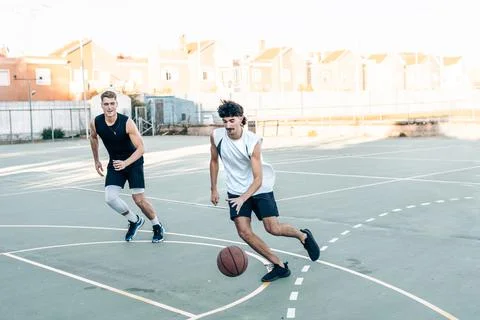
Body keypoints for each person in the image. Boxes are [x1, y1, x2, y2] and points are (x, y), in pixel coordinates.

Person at [209, 100, 320, 282]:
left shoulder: (252, 141)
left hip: (260, 188)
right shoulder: (216, 136)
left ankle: (303, 235)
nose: (228, 125)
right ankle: (279, 266)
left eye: (232, 121)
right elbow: (213, 161)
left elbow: (258, 179)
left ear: (241, 119)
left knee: (273, 228)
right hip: (235, 190)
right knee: (244, 232)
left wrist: (244, 198)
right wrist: (213, 188)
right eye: (225, 121)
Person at [89, 90, 165, 243]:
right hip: (115, 163)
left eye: (112, 104)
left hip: (133, 162)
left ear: (116, 104)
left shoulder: (127, 122)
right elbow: (93, 138)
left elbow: (141, 148)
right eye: (106, 104)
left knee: (139, 200)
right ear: (101, 106)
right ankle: (134, 220)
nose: (109, 107)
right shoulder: (96, 122)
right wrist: (96, 160)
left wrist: (126, 163)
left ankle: (157, 225)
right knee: (110, 198)